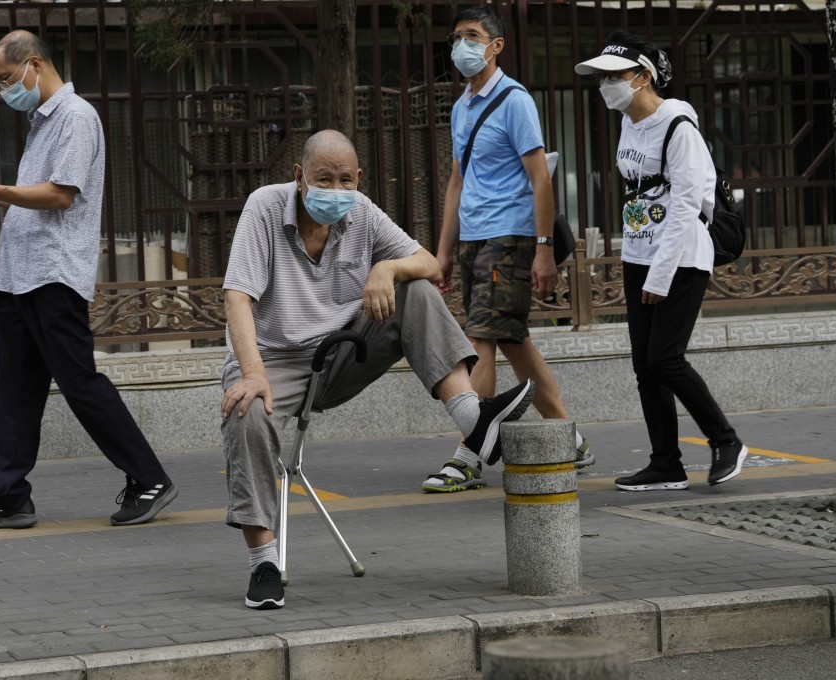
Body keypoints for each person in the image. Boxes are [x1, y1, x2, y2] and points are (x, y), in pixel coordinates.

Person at [221, 129, 534, 609]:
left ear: (359, 178)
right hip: (273, 358)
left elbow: (428, 262)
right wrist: (252, 373)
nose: (336, 189)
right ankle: (263, 563)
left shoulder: (362, 212)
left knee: (417, 289)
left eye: (346, 179)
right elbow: (236, 296)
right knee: (247, 414)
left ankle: (473, 419)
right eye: (324, 178)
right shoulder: (264, 206)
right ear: (299, 177)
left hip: (340, 355)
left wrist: (385, 270)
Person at [0, 30, 177, 528]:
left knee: (78, 381)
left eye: (6, 79)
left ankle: (149, 478)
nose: (3, 90)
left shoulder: (76, 117)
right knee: (13, 388)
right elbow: (35, 193)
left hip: (52, 274)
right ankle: (7, 496)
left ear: (34, 63)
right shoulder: (41, 122)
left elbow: (60, 196)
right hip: (18, 276)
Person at [424, 6, 591, 495]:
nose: (462, 45)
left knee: (482, 339)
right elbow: (456, 181)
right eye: (457, 37)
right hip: (475, 237)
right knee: (512, 339)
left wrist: (542, 249)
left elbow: (541, 179)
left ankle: (468, 453)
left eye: (473, 36)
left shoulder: (515, 100)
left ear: (496, 45)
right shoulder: (461, 107)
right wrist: (444, 251)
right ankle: (571, 439)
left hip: (510, 237)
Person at [574, 31, 748, 491]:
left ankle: (726, 440)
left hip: (682, 257)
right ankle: (666, 463)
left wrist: (661, 271)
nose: (606, 84)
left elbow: (687, 205)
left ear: (643, 76)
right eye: (602, 77)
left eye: (615, 75)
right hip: (639, 256)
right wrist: (638, 260)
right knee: (644, 365)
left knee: (665, 358)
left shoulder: (679, 128)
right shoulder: (630, 124)